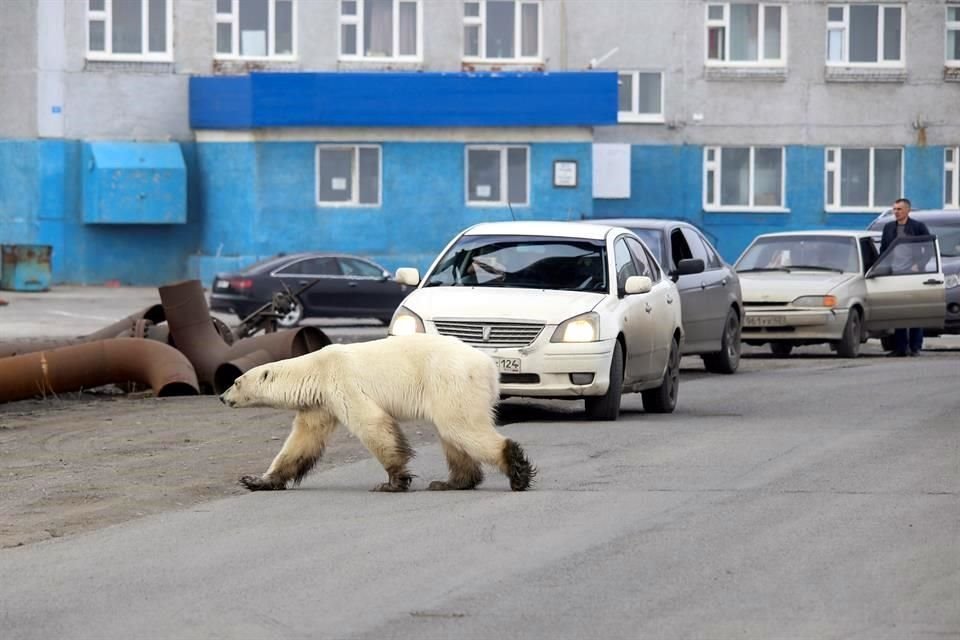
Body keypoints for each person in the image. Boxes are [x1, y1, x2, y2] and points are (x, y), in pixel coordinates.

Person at [879, 198, 931, 357]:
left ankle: (915, 347)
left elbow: (929, 248)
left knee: (915, 311)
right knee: (898, 312)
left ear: (908, 210)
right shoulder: (888, 228)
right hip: (894, 275)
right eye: (894, 209)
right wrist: (881, 269)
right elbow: (883, 250)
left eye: (899, 209)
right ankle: (900, 348)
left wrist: (919, 265)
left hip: (913, 274)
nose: (896, 212)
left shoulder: (918, 227)